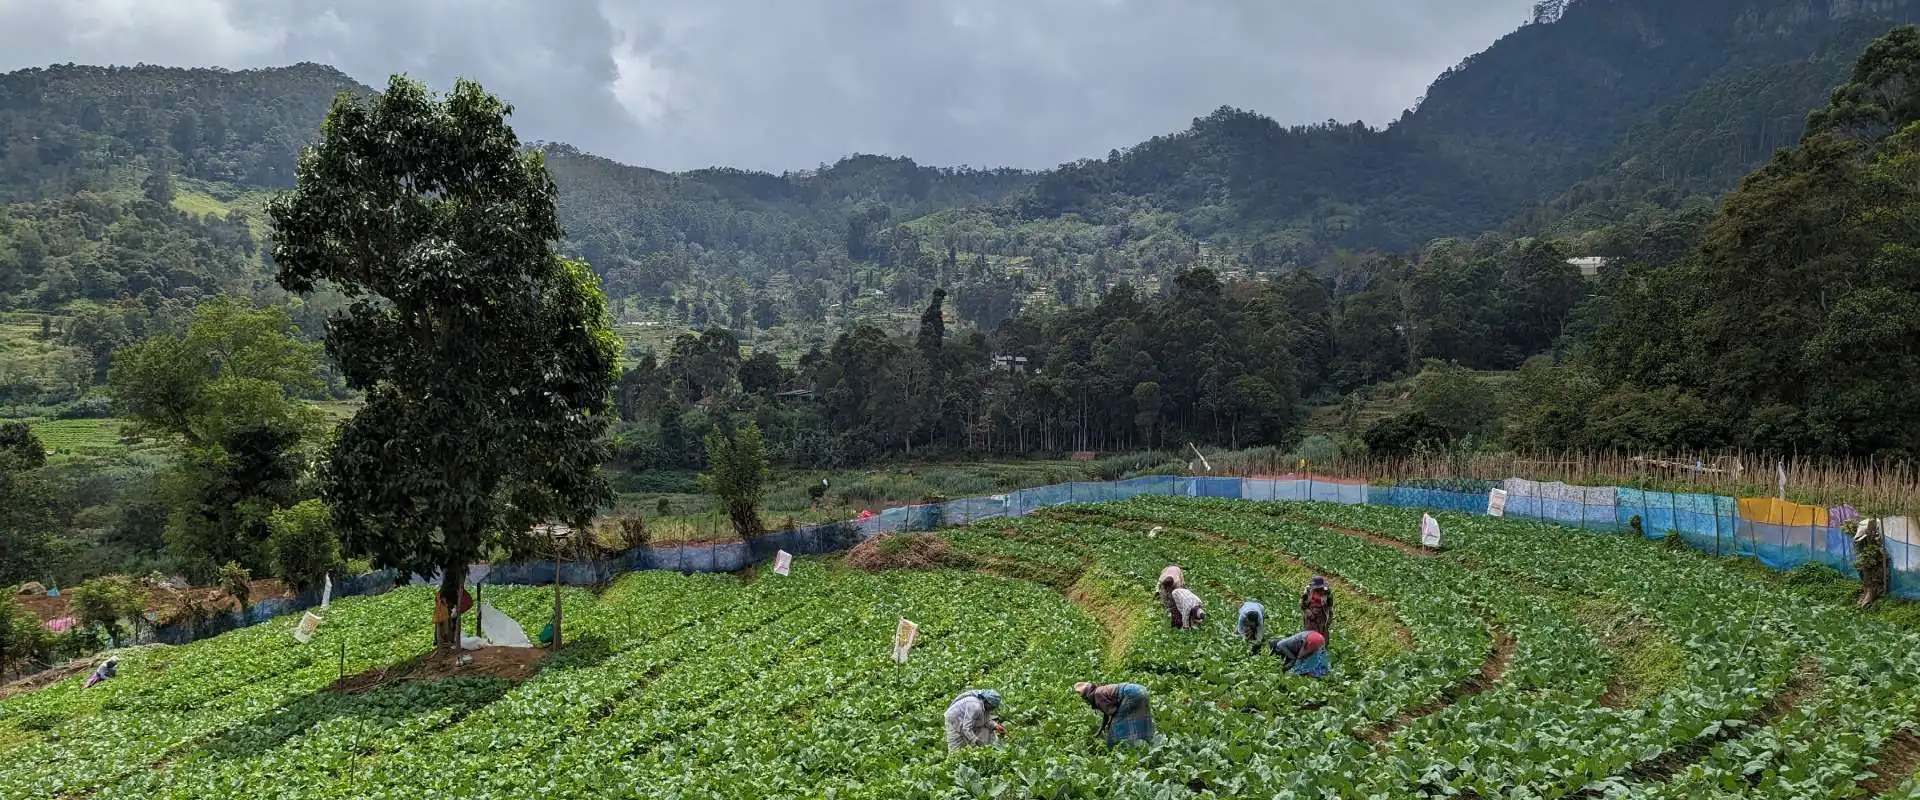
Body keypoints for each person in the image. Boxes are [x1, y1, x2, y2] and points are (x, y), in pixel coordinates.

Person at [1074, 681, 1153, 745]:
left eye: (1084, 698)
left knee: (1117, 724)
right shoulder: (1099, 690)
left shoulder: (1097, 695)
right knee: (1140, 717)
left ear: (1087, 696)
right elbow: (1106, 713)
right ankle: (1145, 740)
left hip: (1130, 694)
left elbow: (1113, 711)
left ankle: (1117, 745)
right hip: (1141, 690)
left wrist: (1109, 726)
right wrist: (1102, 728)